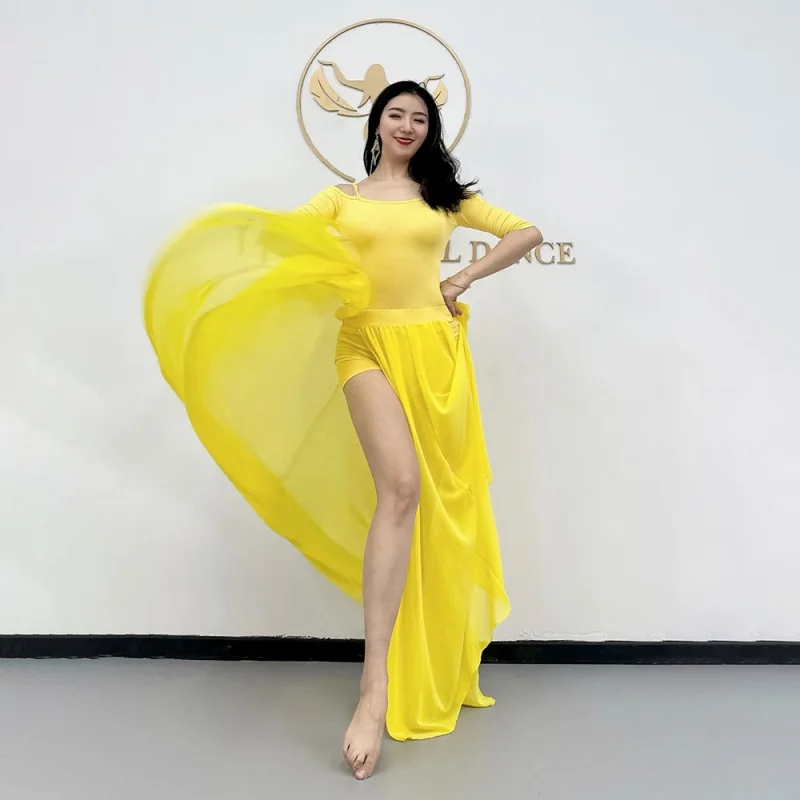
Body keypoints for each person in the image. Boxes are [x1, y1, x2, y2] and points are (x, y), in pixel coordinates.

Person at [144, 80, 542, 781]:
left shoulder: (443, 197)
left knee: (433, 503)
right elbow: (285, 241)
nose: (407, 125)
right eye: (395, 114)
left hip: (435, 353)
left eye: (420, 117)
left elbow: (525, 232)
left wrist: (463, 279)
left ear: (430, 130)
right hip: (363, 346)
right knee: (400, 488)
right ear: (376, 124)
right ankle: (373, 686)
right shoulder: (341, 199)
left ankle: (429, 654)